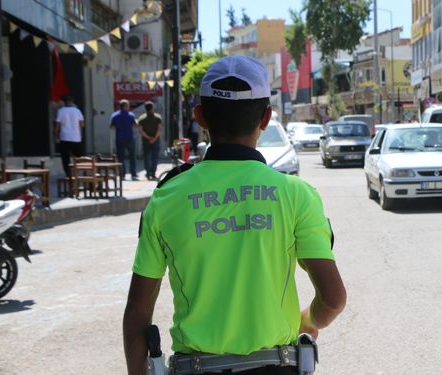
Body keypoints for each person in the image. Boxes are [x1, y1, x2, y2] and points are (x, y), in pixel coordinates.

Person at [123, 55, 346, 375]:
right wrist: (308, 321)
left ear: (200, 117)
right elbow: (334, 298)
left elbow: (137, 312)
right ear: (266, 118)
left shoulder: (166, 198)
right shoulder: (297, 195)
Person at [54, 96, 85, 178]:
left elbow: (57, 125)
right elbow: (82, 124)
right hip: (75, 137)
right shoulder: (77, 111)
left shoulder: (61, 111)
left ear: (64, 102)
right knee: (78, 156)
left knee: (65, 157)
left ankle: (68, 174)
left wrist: (56, 136)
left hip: (64, 137)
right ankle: (78, 172)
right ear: (72, 102)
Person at [111, 99, 139, 180]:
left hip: (119, 138)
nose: (129, 107)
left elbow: (112, 127)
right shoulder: (131, 115)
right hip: (129, 138)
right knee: (132, 156)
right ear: (125, 106)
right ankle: (133, 173)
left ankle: (122, 174)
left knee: (121, 157)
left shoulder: (115, 115)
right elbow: (135, 125)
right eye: (128, 105)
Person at [137, 101, 163, 180]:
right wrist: (154, 138)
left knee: (146, 157)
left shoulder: (142, 118)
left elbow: (141, 131)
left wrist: (148, 138)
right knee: (154, 157)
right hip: (156, 141)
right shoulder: (158, 117)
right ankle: (153, 173)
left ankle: (148, 173)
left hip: (146, 141)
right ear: (152, 108)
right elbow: (159, 129)